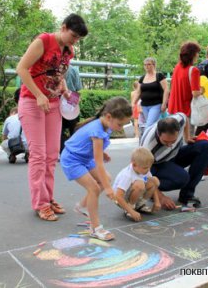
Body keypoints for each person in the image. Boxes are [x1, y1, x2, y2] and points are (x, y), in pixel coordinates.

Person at [16, 13, 88, 220]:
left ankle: (47, 197)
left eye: (78, 39)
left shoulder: (69, 51)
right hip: (32, 102)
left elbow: (59, 75)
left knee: (51, 155)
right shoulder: (43, 41)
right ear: (63, 27)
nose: (74, 41)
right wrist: (39, 95)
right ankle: (40, 203)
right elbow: (21, 69)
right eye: (73, 36)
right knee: (38, 155)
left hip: (54, 103)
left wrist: (66, 91)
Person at [60, 96, 132, 240]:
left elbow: (89, 145)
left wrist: (102, 152)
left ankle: (82, 206)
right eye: (120, 124)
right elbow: (99, 164)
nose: (121, 128)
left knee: (107, 179)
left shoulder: (106, 125)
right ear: (109, 116)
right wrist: (109, 189)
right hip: (72, 159)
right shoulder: (97, 130)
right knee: (94, 188)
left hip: (84, 158)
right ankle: (95, 228)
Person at [140, 113, 208, 212]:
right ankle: (151, 191)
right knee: (182, 178)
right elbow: (142, 176)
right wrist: (161, 198)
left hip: (174, 155)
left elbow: (185, 118)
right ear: (158, 133)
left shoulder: (179, 120)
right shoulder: (147, 147)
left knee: (205, 146)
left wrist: (187, 137)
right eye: (165, 142)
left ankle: (186, 196)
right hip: (156, 165)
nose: (170, 145)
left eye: (173, 141)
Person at [112, 147, 161, 221]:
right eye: (145, 168)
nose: (148, 170)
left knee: (154, 180)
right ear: (134, 165)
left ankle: (139, 205)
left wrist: (157, 201)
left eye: (149, 167)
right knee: (139, 184)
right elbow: (118, 196)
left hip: (133, 190)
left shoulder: (144, 170)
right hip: (121, 199)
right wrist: (131, 212)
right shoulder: (127, 175)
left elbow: (152, 183)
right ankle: (130, 207)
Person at [168, 41, 202, 137]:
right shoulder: (194, 70)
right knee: (187, 140)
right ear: (192, 54)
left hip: (173, 109)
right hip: (186, 111)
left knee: (174, 140)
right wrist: (202, 90)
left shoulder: (177, 67)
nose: (198, 56)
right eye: (197, 53)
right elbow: (195, 93)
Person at [133, 57, 169, 131]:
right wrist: (133, 103)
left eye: (149, 64)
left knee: (149, 125)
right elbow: (138, 92)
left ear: (154, 65)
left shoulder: (159, 76)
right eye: (145, 65)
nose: (147, 66)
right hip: (144, 106)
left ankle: (145, 142)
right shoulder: (142, 78)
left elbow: (166, 90)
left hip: (156, 104)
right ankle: (158, 140)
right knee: (153, 126)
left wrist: (164, 104)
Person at [60, 65, 83, 153]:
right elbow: (78, 90)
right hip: (72, 98)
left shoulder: (54, 68)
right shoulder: (73, 70)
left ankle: (61, 151)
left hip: (58, 100)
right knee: (74, 128)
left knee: (59, 130)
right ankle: (74, 150)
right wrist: (73, 103)